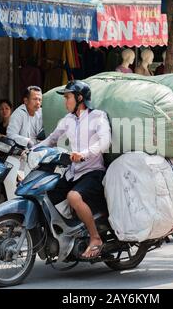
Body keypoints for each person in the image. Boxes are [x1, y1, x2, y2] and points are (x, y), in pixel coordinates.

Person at [34, 80, 111, 259]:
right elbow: (52, 139)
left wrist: (84, 153)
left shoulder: (97, 116)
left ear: (80, 98)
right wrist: (31, 149)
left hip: (93, 171)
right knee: (46, 194)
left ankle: (95, 237)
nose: (65, 101)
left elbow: (104, 142)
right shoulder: (67, 120)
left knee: (73, 196)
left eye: (67, 97)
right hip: (73, 172)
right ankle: (70, 232)